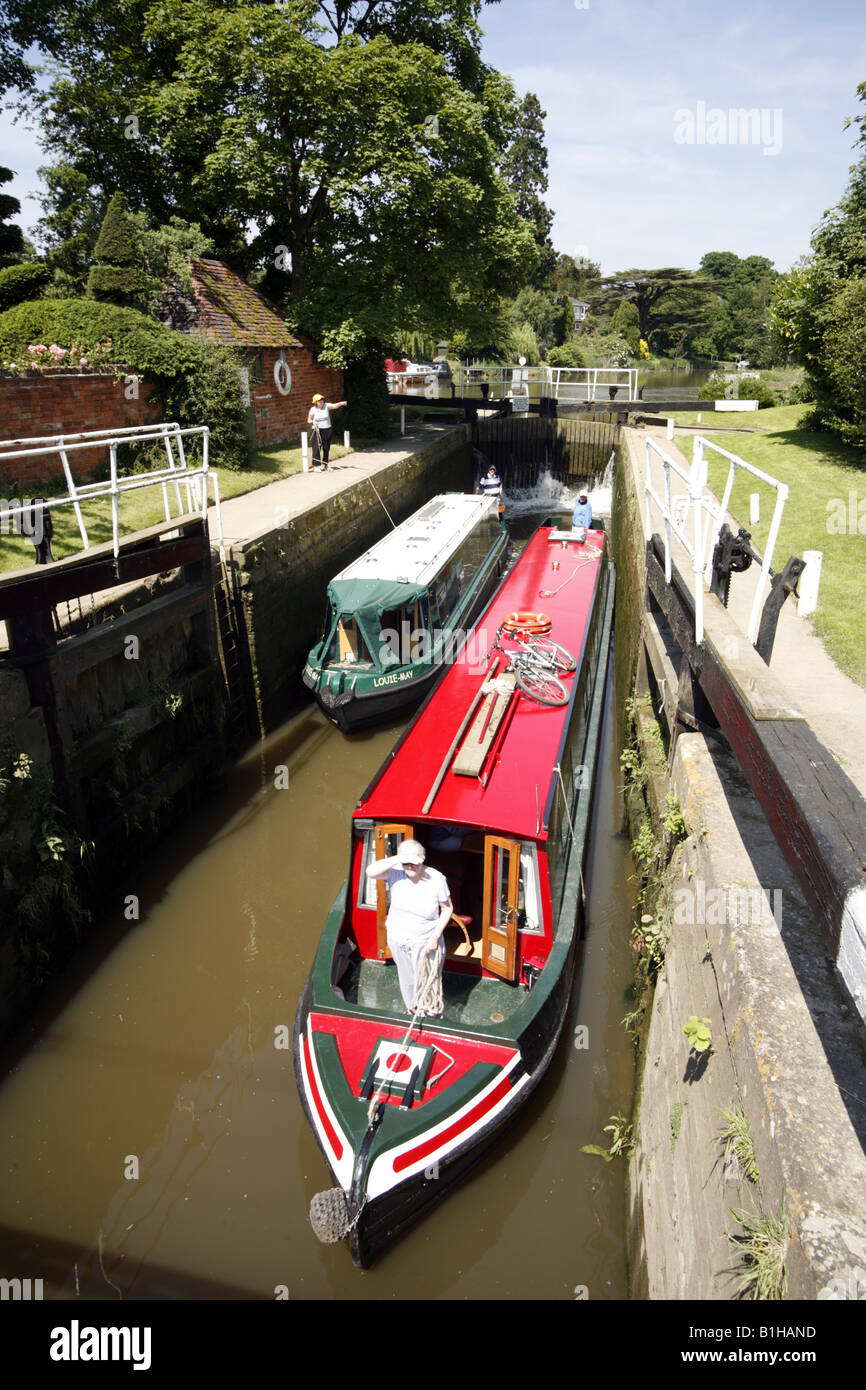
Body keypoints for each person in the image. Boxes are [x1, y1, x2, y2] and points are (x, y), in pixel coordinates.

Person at [365, 839, 452, 1014]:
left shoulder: (436, 879)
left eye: (414, 863)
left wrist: (434, 938)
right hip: (398, 939)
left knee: (427, 980)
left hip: (425, 941)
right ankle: (412, 1009)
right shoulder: (396, 872)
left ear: (423, 857)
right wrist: (400, 858)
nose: (410, 867)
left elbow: (447, 909)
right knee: (407, 979)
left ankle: (429, 1012)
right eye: (407, 864)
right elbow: (370, 872)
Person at [307, 393, 347, 470]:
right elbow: (308, 420)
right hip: (317, 430)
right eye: (319, 400)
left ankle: (326, 464)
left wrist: (341, 403)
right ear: (315, 402)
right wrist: (313, 421)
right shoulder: (312, 410)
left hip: (327, 429)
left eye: (322, 399)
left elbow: (335, 406)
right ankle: (316, 466)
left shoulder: (326, 406)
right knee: (316, 447)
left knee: (326, 447)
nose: (321, 401)